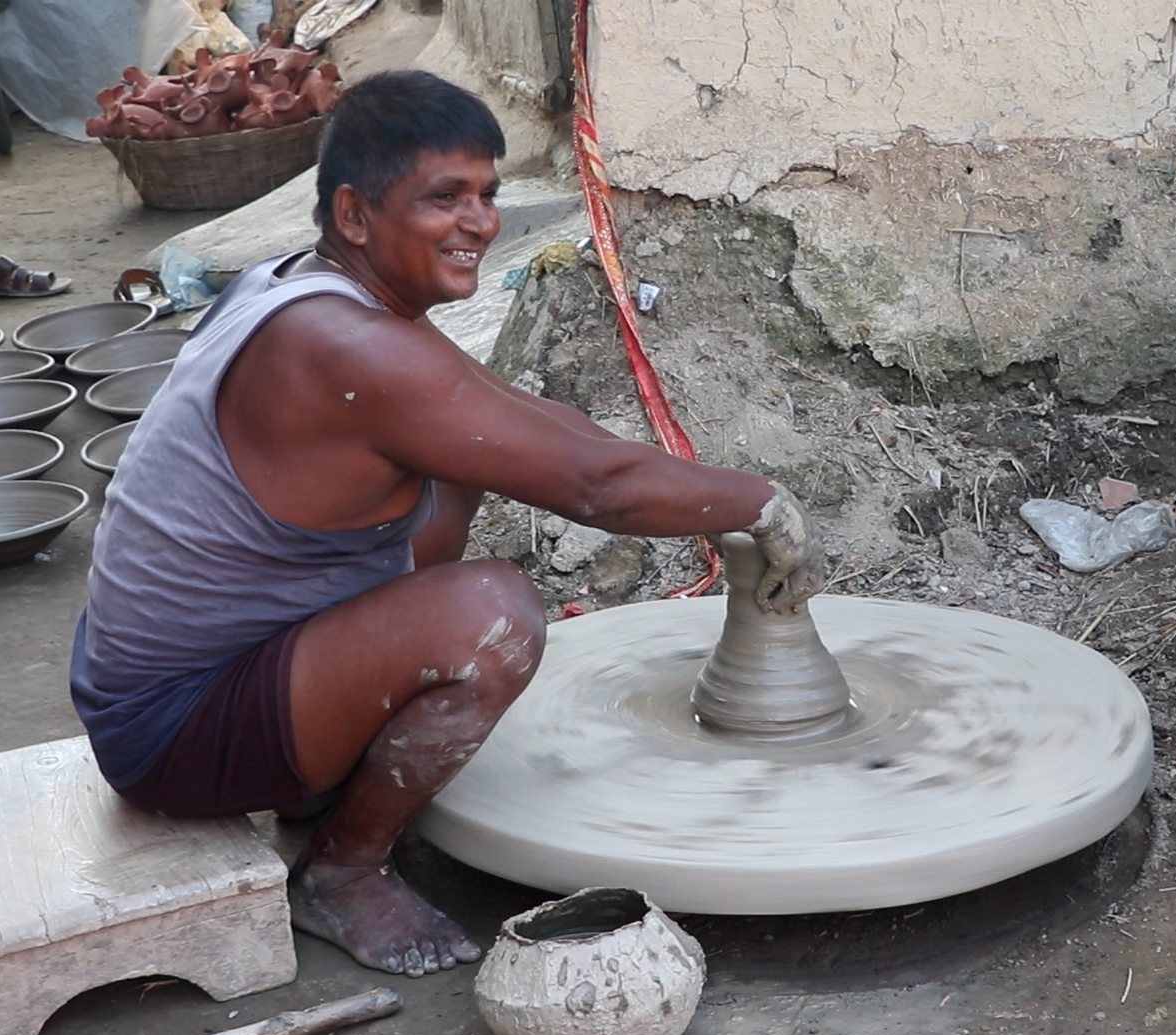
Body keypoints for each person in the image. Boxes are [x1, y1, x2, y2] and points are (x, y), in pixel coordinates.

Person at [69, 69, 826, 979]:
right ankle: (342, 870)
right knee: (489, 617)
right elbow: (593, 490)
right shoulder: (346, 347)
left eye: (488, 196)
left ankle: (324, 777)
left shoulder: (318, 291)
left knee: (469, 458)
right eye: (446, 199)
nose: (480, 223)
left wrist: (706, 489)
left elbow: (541, 427)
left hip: (228, 670)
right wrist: (761, 506)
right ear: (355, 215)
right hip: (173, 732)